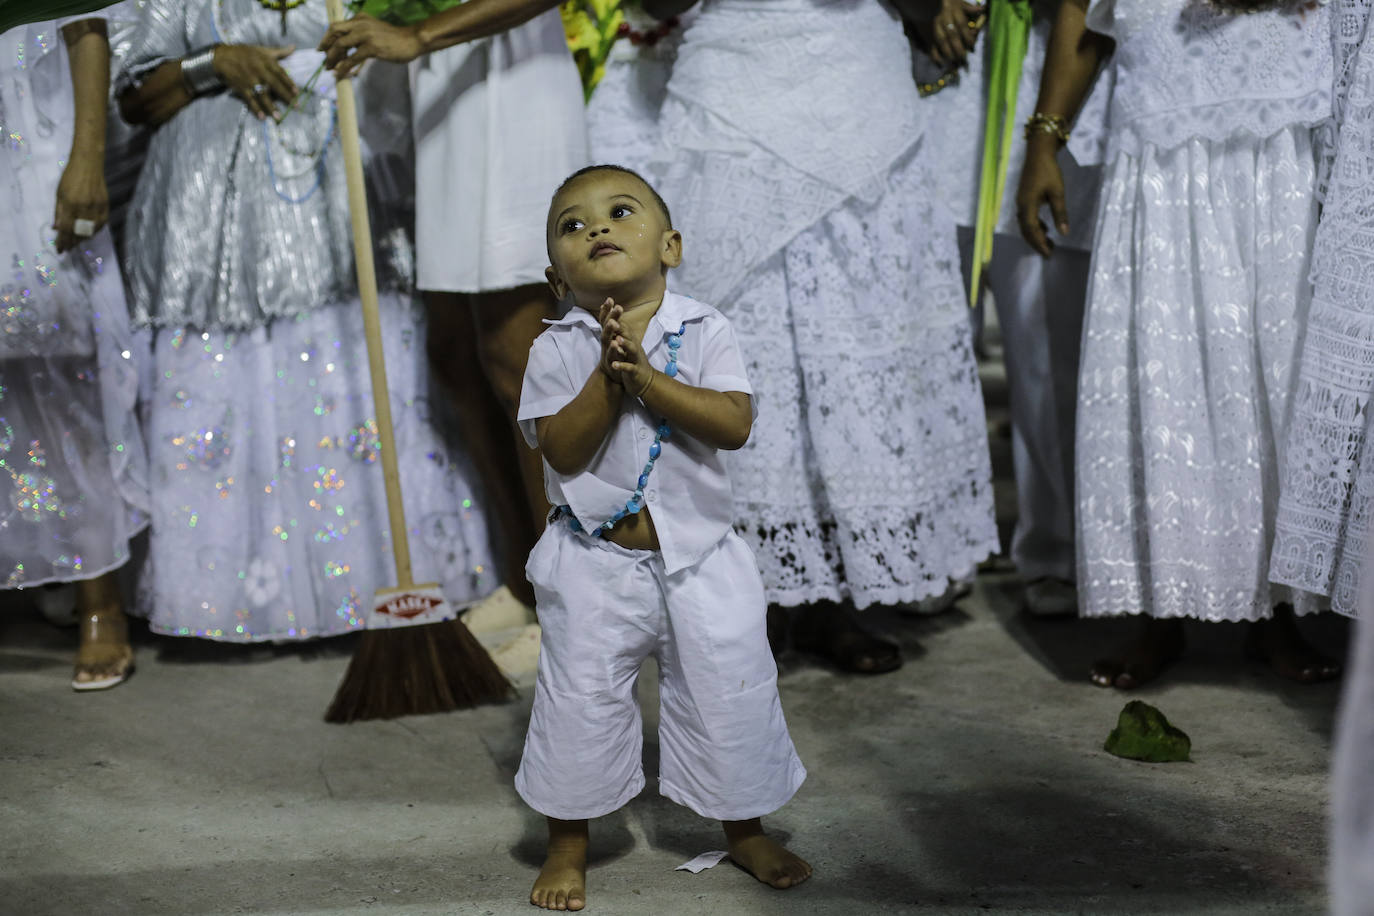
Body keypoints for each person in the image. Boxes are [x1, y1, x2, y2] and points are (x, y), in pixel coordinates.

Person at [114, 0, 493, 642]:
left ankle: (378, 578)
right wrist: (213, 63)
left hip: (341, 198)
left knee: (362, 373)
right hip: (211, 219)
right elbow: (134, 97)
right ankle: (237, 595)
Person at [645, 0, 1000, 672]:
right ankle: (744, 596)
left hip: (852, 80)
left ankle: (834, 597)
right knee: (740, 339)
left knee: (850, 325)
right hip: (729, 82)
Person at [1017, 0, 1340, 687]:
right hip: (1162, 114)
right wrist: (1044, 141)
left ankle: (1276, 608)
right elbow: (1080, 7)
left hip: (1275, 110)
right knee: (1161, 367)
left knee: (1270, 369)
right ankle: (1158, 611)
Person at [515, 165, 810, 911]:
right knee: (578, 700)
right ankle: (568, 844)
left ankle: (743, 830)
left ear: (669, 244)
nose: (598, 229)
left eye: (620, 212)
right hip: (593, 560)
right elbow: (562, 450)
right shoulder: (554, 348)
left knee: (728, 693)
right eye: (573, 225)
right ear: (557, 274)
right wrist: (607, 382)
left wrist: (647, 379)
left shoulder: (706, 328)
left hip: (702, 561)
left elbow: (734, 424)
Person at [318, 0, 588, 615]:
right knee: (458, 356)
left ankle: (571, 602)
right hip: (439, 94)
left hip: (507, 82)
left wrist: (418, 34)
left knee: (521, 362)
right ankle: (524, 583)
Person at [914, 0, 1103, 616]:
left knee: (1049, 357)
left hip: (1041, 98)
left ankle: (1057, 549)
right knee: (931, 355)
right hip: (936, 105)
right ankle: (935, 547)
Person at [0, 7, 150, 689]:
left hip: (36, 144)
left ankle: (101, 603)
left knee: (67, 378)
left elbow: (85, 26)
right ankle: (43, 565)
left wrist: (85, 159)